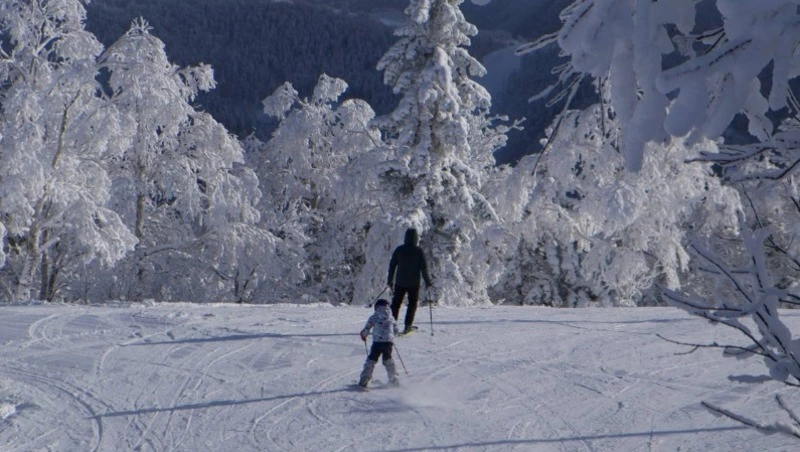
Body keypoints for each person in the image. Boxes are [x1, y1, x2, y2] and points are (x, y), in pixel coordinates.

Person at [387, 228, 433, 334]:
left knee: (396, 303)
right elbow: (424, 268)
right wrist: (428, 283)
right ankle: (408, 325)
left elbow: (392, 266)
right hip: (413, 284)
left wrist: (389, 281)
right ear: (416, 238)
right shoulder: (418, 251)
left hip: (400, 282)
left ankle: (392, 325)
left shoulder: (399, 250)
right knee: (412, 304)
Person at [358, 299, 399, 388]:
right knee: (388, 360)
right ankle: (393, 379)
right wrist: (392, 335)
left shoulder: (374, 316)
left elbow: (367, 328)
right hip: (388, 342)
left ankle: (364, 379)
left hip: (377, 342)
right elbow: (396, 330)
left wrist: (364, 335)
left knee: (371, 360)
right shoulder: (391, 317)